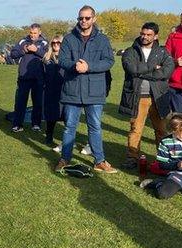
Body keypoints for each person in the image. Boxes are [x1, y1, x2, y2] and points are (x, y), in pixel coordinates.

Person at [54, 5, 117, 174]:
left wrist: (89, 66)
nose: (83, 21)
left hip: (94, 91)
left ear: (93, 19)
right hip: (72, 90)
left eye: (87, 18)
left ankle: (99, 161)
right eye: (80, 18)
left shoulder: (102, 39)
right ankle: (65, 159)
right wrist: (74, 66)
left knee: (95, 126)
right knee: (69, 127)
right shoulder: (68, 38)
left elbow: (109, 61)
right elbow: (62, 59)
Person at [119, 22, 174, 169]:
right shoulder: (131, 51)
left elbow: (167, 71)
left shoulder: (162, 52)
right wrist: (152, 67)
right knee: (136, 129)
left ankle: (163, 158)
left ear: (155, 36)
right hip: (138, 96)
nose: (144, 37)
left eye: (148, 35)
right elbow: (131, 68)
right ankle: (132, 157)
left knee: (161, 130)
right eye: (143, 33)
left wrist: (143, 73)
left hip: (158, 96)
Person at [10, 23, 48, 132]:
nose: (32, 35)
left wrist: (36, 50)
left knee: (37, 102)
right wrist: (24, 50)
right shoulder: (23, 41)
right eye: (31, 33)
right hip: (24, 77)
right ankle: (17, 124)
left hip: (39, 78)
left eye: (35, 33)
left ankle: (36, 124)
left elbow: (47, 56)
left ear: (39, 32)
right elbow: (13, 54)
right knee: (20, 102)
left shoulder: (44, 42)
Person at [141, 113, 182, 199]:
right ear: (173, 131)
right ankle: (158, 183)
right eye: (180, 133)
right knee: (162, 194)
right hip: (176, 173)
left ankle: (178, 186)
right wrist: (178, 165)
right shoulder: (166, 142)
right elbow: (162, 165)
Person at [43, 35, 65, 148]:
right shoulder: (46, 58)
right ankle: (49, 136)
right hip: (50, 91)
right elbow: (42, 75)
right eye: (54, 43)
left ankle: (67, 140)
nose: (56, 44)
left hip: (63, 91)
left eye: (58, 43)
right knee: (50, 116)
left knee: (66, 116)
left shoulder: (66, 58)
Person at [165, 10, 182, 113]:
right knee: (178, 117)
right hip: (176, 84)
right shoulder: (173, 35)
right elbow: (165, 57)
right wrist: (175, 61)